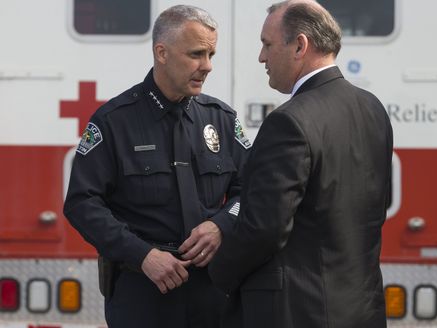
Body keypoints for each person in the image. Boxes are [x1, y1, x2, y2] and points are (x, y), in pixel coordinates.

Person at [63, 5, 250, 328]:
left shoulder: (221, 119)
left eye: (211, 55)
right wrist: (143, 255)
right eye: (196, 54)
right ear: (161, 53)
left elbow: (250, 189)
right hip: (143, 293)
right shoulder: (114, 122)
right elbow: (82, 203)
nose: (207, 66)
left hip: (213, 292)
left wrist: (222, 224)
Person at [208, 1, 393, 327]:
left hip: (299, 311)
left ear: (300, 46)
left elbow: (264, 228)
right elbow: (375, 207)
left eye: (267, 44)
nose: (262, 57)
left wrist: (218, 272)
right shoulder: (372, 109)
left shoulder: (289, 122)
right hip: (362, 308)